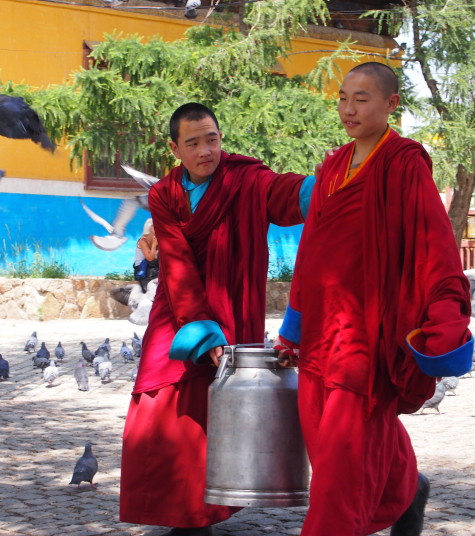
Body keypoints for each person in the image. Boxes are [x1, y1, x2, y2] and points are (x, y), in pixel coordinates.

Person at [276, 62, 473, 536]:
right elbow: (313, 250)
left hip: (369, 333)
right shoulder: (332, 167)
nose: (349, 109)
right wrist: (292, 327)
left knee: (340, 470)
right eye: (343, 98)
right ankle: (405, 487)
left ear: (391, 104)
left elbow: (434, 244)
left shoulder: (405, 162)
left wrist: (446, 315)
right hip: (323, 330)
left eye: (362, 99)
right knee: (330, 445)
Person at [119, 102, 315, 536]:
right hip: (180, 309)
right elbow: (178, 264)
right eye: (193, 143)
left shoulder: (246, 179)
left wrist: (329, 187)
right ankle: (180, 511)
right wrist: (202, 332)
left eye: (212, 139)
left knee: (218, 407)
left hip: (233, 309)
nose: (206, 150)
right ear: (175, 148)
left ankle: (200, 515)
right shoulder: (164, 194)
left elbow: (283, 193)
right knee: (160, 400)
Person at [133, 218, 159, 293]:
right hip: (142, 269)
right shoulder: (142, 240)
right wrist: (154, 245)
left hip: (153, 267)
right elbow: (150, 258)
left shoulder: (157, 239)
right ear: (150, 227)